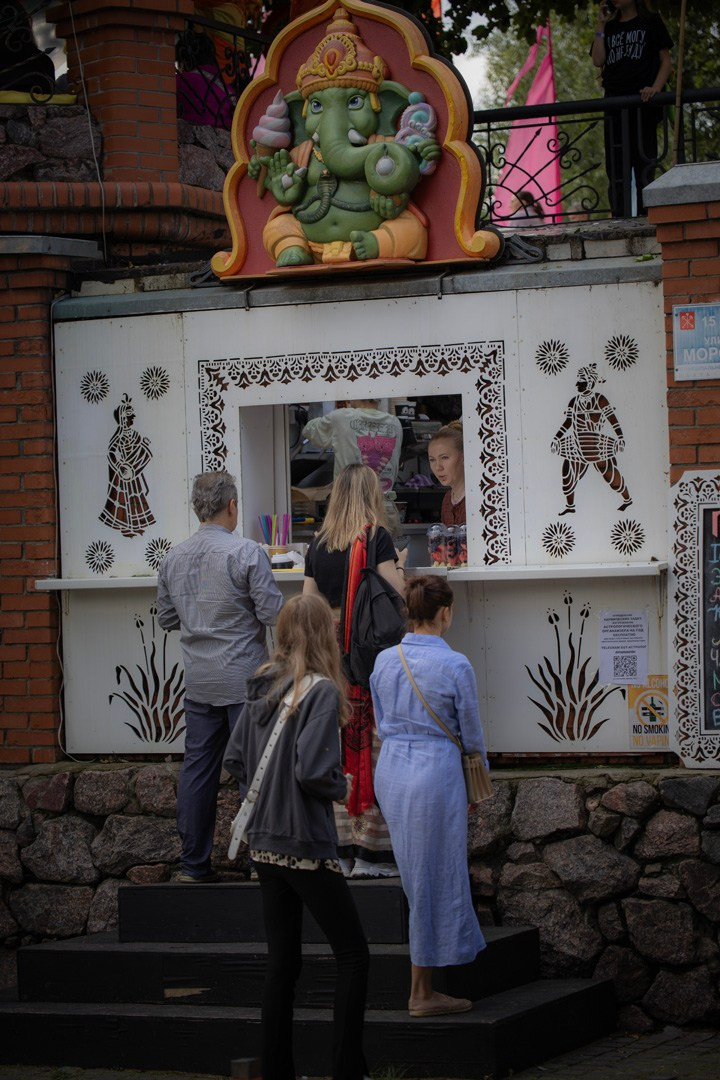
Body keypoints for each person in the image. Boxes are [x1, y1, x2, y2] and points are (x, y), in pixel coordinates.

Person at [223, 593, 370, 1080]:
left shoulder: (261, 684)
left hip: (263, 840)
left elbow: (236, 761)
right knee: (353, 954)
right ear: (324, 634)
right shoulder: (322, 691)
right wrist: (342, 784)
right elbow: (313, 772)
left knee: (282, 963)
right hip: (304, 839)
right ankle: (348, 1071)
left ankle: (277, 1071)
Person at [156, 471, 283, 883]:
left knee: (197, 772)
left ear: (197, 508)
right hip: (246, 677)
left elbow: (166, 618)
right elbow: (272, 614)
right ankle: (261, 863)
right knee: (254, 771)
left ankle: (193, 865)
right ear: (232, 505)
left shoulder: (173, 558)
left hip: (199, 681)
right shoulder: (247, 553)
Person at [371, 575, 487, 1017]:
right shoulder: (456, 665)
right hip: (434, 771)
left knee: (419, 873)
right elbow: (471, 736)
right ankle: (421, 991)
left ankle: (426, 983)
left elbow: (382, 722)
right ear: (445, 612)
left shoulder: (384, 661)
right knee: (433, 875)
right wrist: (478, 778)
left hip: (393, 769)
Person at [303, 463, 406, 878]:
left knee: (339, 742)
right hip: (365, 657)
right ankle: (372, 849)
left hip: (330, 656)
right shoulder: (376, 537)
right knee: (372, 746)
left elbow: (308, 602)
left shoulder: (318, 543)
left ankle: (340, 845)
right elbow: (395, 594)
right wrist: (398, 564)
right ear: (370, 496)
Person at [591, 0, 673, 217]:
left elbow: (666, 61)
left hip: (642, 103)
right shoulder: (610, 26)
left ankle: (648, 217)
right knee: (616, 168)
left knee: (645, 162)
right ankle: (620, 218)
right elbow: (598, 60)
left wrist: (655, 88)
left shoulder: (651, 21)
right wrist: (600, 25)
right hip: (615, 104)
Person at [303, 399, 404, 534]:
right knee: (388, 554)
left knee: (351, 554)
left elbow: (309, 431)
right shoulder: (395, 423)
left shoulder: (340, 418)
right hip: (384, 507)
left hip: (350, 509)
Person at [551, 363, 632, 514]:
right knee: (568, 475)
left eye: (580, 381)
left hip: (596, 445)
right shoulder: (574, 402)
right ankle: (570, 507)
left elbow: (612, 419)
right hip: (576, 444)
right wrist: (556, 438)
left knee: (610, 475)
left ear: (589, 382)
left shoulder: (600, 399)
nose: (577, 384)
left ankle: (627, 499)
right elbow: (568, 422)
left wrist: (620, 437)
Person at [99, 394, 155, 537]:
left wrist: (142, 448)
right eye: (130, 416)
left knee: (136, 497)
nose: (133, 418)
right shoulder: (118, 437)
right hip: (123, 475)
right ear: (123, 418)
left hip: (133, 474)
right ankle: (125, 526)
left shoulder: (135, 435)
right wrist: (119, 467)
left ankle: (136, 525)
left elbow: (140, 453)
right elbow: (111, 453)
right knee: (123, 499)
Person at [427, 420, 466, 526]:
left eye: (444, 458)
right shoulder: (448, 499)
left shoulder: (479, 496)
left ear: (463, 457)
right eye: (432, 460)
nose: (438, 467)